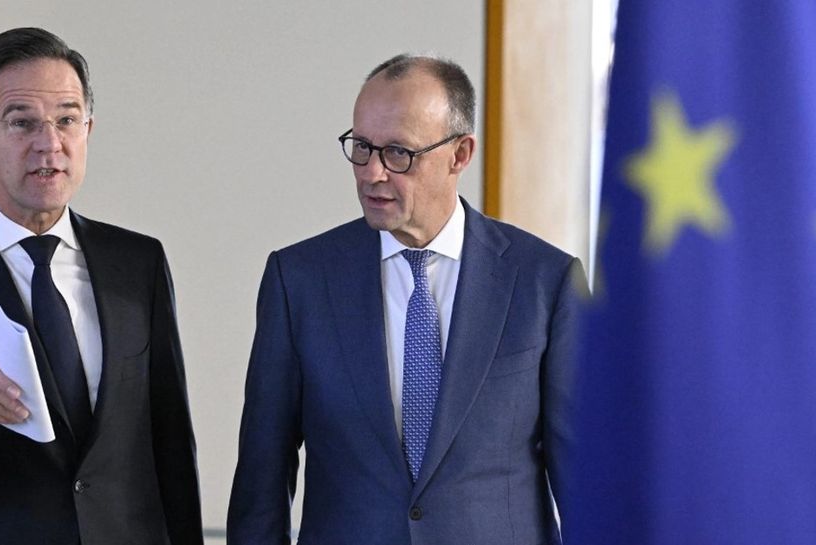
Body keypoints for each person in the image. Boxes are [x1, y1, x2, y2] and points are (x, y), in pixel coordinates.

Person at [227, 54, 583, 544]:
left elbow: (586, 480)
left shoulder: (546, 282)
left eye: (398, 153)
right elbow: (261, 480)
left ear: (460, 154)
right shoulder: (300, 280)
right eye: (362, 147)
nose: (372, 173)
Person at [0, 28, 202, 545]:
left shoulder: (137, 262)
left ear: (88, 130)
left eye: (67, 120)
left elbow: (170, 441)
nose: (49, 143)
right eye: (22, 122)